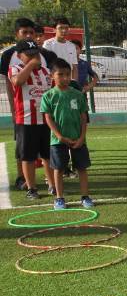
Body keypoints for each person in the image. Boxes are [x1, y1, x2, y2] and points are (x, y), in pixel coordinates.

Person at [1, 19, 56, 191]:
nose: (29, 35)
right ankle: (24, 180)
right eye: (24, 32)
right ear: (17, 34)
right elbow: (12, 84)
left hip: (44, 115)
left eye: (31, 32)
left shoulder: (46, 56)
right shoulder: (10, 56)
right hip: (24, 113)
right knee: (25, 152)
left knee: (47, 152)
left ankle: (51, 182)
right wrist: (12, 108)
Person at [41, 58, 94, 208]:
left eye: (67, 74)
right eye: (60, 74)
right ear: (52, 76)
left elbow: (84, 117)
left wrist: (82, 137)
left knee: (81, 168)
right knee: (58, 169)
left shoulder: (77, 94)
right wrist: (59, 136)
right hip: (58, 140)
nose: (65, 78)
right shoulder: (48, 96)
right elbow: (48, 118)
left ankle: (85, 197)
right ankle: (59, 198)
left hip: (78, 139)